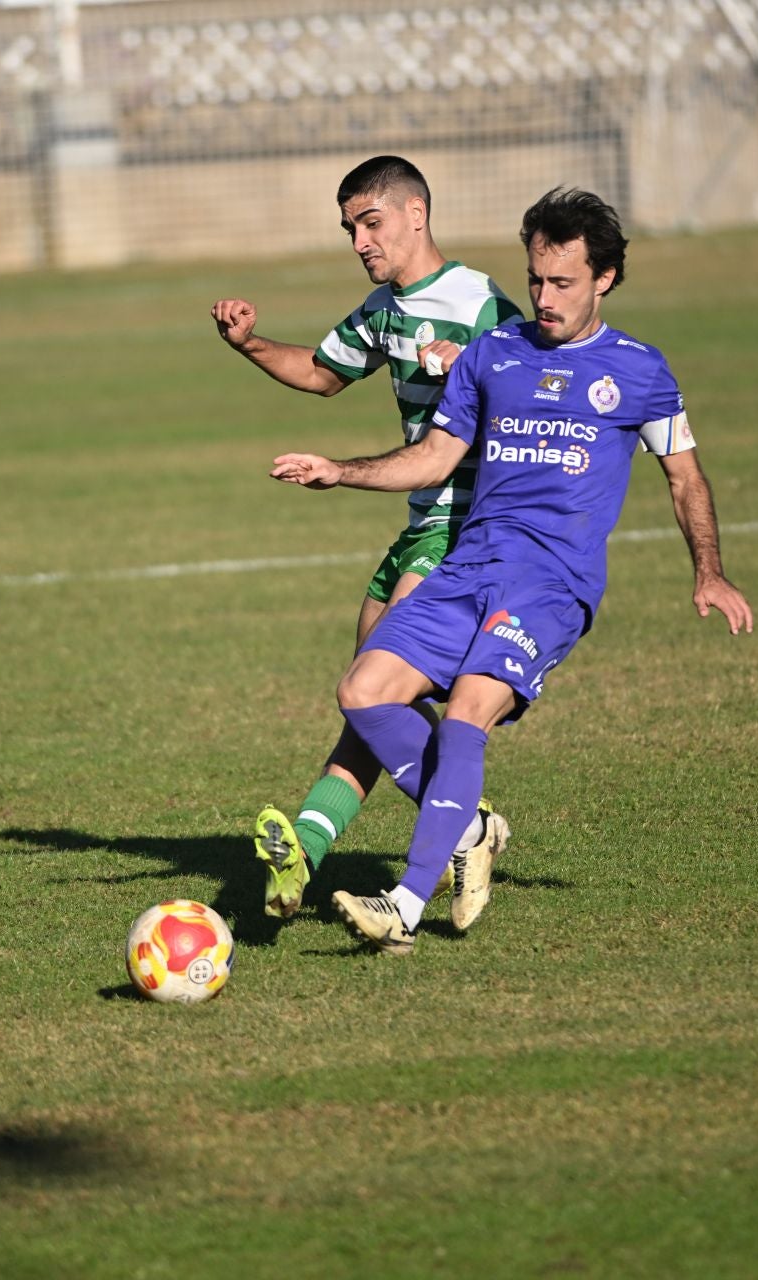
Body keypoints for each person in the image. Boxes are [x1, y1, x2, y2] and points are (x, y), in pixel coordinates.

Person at [269, 187, 755, 954]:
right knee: (362, 690)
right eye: (535, 280)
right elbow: (433, 456)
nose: (543, 297)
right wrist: (341, 470)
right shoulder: (496, 354)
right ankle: (470, 825)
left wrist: (710, 571)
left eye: (562, 283)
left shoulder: (640, 371)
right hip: (469, 565)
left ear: (606, 279)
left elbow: (684, 476)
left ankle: (404, 904)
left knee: (467, 712)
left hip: (551, 585)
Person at [210, 154, 525, 930]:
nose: (360, 240)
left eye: (371, 223)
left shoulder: (482, 302)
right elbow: (322, 373)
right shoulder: (385, 309)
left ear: (416, 215)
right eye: (351, 228)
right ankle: (310, 847)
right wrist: (249, 345)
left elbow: (535, 396)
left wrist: (480, 373)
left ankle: (465, 827)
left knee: (379, 689)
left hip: (465, 528)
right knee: (367, 704)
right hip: (418, 522)